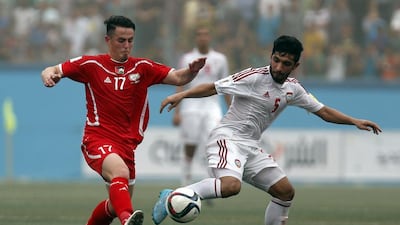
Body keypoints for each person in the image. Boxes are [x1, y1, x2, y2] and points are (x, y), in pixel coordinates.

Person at [151, 35, 382, 225]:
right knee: (231, 186)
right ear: (271, 57)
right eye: (276, 60)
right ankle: (171, 196)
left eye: (286, 64)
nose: (279, 67)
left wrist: (355, 121)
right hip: (227, 139)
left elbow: (323, 111)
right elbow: (214, 87)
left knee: (285, 192)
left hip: (250, 146)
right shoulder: (253, 77)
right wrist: (182, 94)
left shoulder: (294, 89)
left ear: (296, 66)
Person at [41, 15, 206, 225]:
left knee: (114, 204)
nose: (127, 46)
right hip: (97, 138)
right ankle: (127, 219)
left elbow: (179, 77)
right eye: (121, 40)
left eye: (130, 40)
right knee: (120, 175)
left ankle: (119, 214)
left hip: (127, 146)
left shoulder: (143, 67)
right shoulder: (91, 64)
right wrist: (49, 75)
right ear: (108, 40)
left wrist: (192, 72)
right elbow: (53, 69)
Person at [174, 25, 231, 186]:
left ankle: (211, 182)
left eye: (205, 34)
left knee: (212, 144)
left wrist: (231, 110)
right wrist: (177, 111)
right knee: (190, 144)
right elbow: (180, 83)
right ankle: (185, 180)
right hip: (190, 107)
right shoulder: (187, 58)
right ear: (196, 38)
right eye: (199, 34)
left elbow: (226, 86)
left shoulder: (220, 59)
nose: (202, 37)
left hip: (212, 107)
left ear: (210, 37)